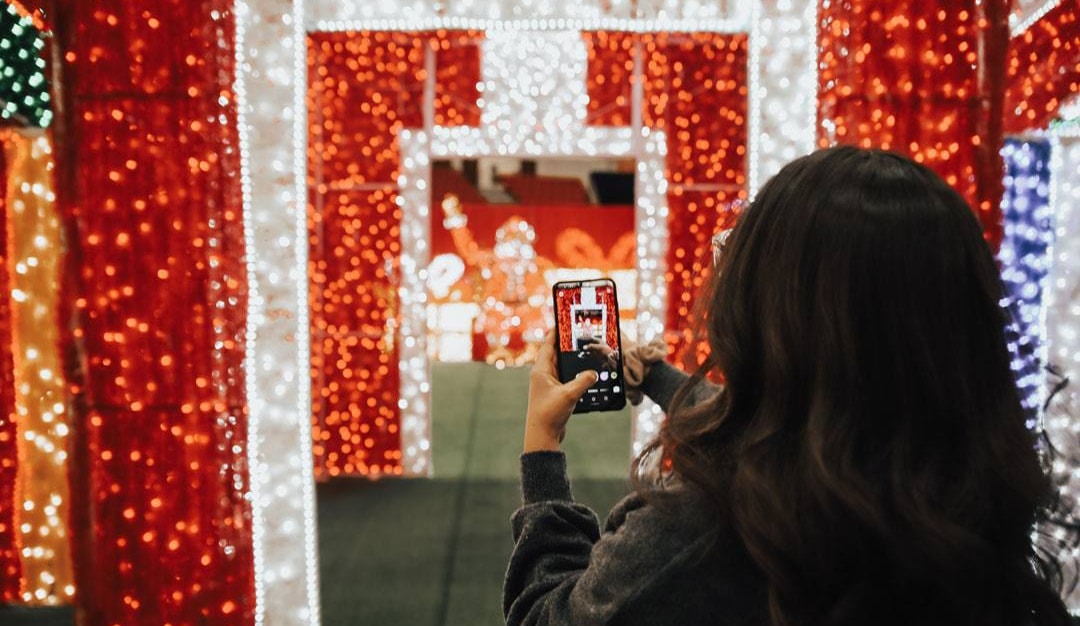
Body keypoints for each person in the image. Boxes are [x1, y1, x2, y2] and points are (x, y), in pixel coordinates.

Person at [503, 146, 1075, 626]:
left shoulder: (697, 536)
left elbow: (547, 614)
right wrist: (653, 377)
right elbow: (797, 420)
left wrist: (541, 449)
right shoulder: (960, 492)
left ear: (782, 315)